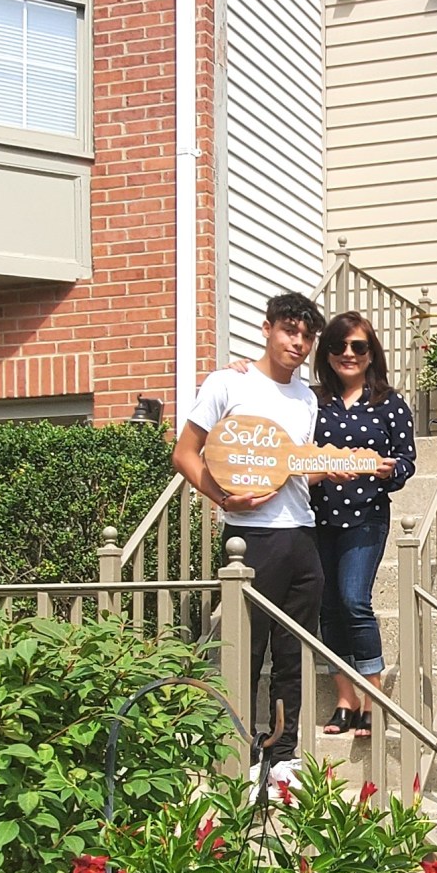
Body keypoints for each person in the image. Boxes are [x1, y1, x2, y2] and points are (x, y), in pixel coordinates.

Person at [172, 292, 327, 788]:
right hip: (251, 538)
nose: (298, 343)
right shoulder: (228, 383)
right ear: (267, 329)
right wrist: (222, 498)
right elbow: (185, 453)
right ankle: (239, 754)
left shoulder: (307, 398)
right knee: (248, 650)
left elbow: (294, 470)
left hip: (301, 532)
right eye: (289, 331)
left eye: (306, 336)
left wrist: (336, 468)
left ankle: (283, 756)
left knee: (294, 651)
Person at [311, 312, 416, 738]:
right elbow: (294, 452)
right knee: (327, 607)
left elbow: (407, 460)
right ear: (326, 354)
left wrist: (390, 470)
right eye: (338, 346)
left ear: (371, 354)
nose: (348, 354)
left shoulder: (389, 403)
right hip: (317, 515)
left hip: (366, 516)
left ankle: (373, 698)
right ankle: (345, 700)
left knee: (354, 600)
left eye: (358, 346)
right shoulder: (313, 402)